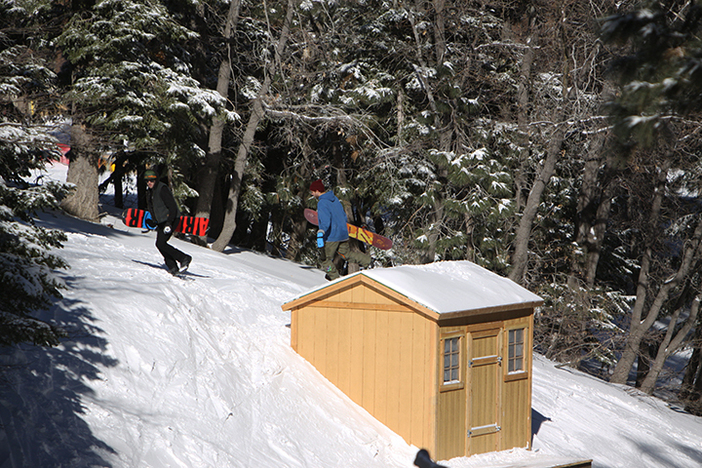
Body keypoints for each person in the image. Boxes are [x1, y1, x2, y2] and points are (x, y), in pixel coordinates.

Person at [309, 179, 371, 280]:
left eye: (312, 191)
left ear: (317, 191)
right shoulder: (335, 199)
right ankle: (367, 260)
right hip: (343, 234)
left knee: (325, 260)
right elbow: (343, 216)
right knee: (346, 254)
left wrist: (321, 231)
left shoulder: (322, 203)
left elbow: (325, 220)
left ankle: (334, 278)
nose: (311, 194)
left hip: (332, 236)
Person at [144, 169, 192, 275]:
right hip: (162, 221)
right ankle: (173, 266)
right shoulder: (150, 192)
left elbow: (172, 207)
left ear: (156, 180)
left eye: (151, 180)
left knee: (161, 243)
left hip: (172, 219)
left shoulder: (162, 189)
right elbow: (156, 208)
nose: (149, 183)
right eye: (147, 181)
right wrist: (154, 221)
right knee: (160, 244)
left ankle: (184, 258)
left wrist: (169, 223)